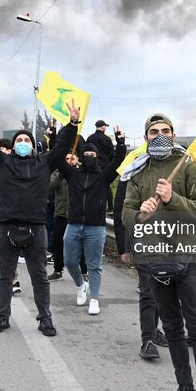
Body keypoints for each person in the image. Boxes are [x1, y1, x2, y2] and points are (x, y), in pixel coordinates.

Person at [122, 113, 196, 391]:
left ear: (174, 135)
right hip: (155, 262)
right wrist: (141, 214)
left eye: (165, 130)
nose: (160, 135)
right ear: (145, 137)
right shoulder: (138, 171)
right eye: (153, 131)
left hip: (187, 260)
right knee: (173, 328)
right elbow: (126, 214)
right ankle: (185, 388)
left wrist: (171, 199)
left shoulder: (189, 168)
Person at [0, 96, 77, 337]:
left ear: (33, 145)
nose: (23, 142)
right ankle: (2, 316)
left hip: (36, 228)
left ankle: (45, 318)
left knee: (40, 277)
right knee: (5, 276)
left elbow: (62, 146)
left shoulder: (44, 162)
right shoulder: (2, 162)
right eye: (19, 140)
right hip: (7, 227)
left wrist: (73, 124)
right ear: (13, 146)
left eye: (27, 140)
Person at [58, 129, 126, 315]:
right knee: (70, 261)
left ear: (97, 157)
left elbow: (118, 160)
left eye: (92, 154)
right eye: (86, 154)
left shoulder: (104, 176)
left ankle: (94, 299)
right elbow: (57, 156)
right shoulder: (72, 175)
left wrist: (120, 142)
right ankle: (81, 285)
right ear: (80, 156)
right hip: (73, 225)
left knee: (94, 264)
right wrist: (56, 134)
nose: (89, 156)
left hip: (95, 227)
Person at [114, 178, 168, 360]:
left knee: (161, 290)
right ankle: (147, 340)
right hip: (142, 241)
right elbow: (124, 214)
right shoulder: (133, 174)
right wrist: (126, 247)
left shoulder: (173, 174)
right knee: (147, 290)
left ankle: (154, 330)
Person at [87, 119, 115, 210]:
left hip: (92, 165)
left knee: (92, 186)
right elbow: (112, 153)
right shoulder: (107, 139)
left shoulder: (90, 138)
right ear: (102, 127)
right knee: (106, 186)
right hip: (105, 165)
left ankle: (93, 206)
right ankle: (110, 207)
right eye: (105, 126)